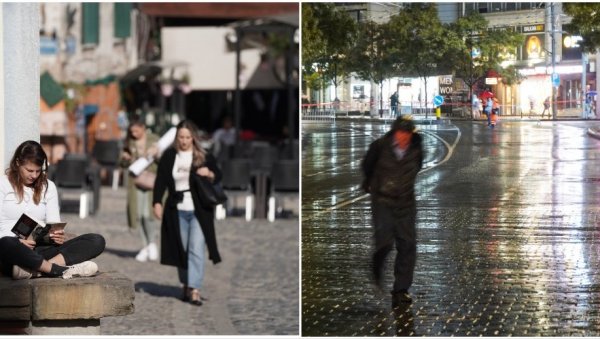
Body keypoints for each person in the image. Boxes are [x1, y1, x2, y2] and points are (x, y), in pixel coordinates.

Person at [0, 140, 105, 280]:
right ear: (18, 163)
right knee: (7, 243)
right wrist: (18, 242)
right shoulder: (3, 184)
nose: (34, 175)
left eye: (38, 171)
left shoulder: (48, 187)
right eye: (29, 170)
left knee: (96, 240)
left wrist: (56, 235)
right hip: (11, 249)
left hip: (38, 249)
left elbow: (54, 222)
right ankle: (58, 271)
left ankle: (39, 270)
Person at [152, 120, 223, 306]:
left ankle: (195, 289)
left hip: (199, 209)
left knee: (196, 248)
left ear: (193, 137)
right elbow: (160, 181)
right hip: (176, 209)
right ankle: (185, 283)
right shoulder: (169, 156)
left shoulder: (203, 155)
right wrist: (157, 202)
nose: (184, 141)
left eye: (187, 137)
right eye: (181, 137)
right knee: (181, 250)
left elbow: (218, 174)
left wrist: (209, 173)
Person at [361, 117, 423, 307]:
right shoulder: (379, 146)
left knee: (407, 244)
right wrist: (371, 184)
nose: (404, 137)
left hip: (406, 203)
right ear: (395, 132)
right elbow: (366, 166)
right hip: (383, 201)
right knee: (385, 243)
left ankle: (401, 289)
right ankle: (377, 264)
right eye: (401, 133)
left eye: (407, 133)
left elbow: (417, 166)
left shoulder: (416, 149)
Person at [120, 118, 160, 262]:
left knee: (148, 214)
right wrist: (125, 158)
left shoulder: (154, 139)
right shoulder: (129, 141)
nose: (134, 134)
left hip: (151, 181)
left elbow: (164, 159)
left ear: (143, 128)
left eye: (136, 131)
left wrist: (156, 153)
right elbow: (122, 161)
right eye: (132, 131)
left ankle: (152, 243)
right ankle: (145, 246)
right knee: (137, 215)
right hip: (135, 181)